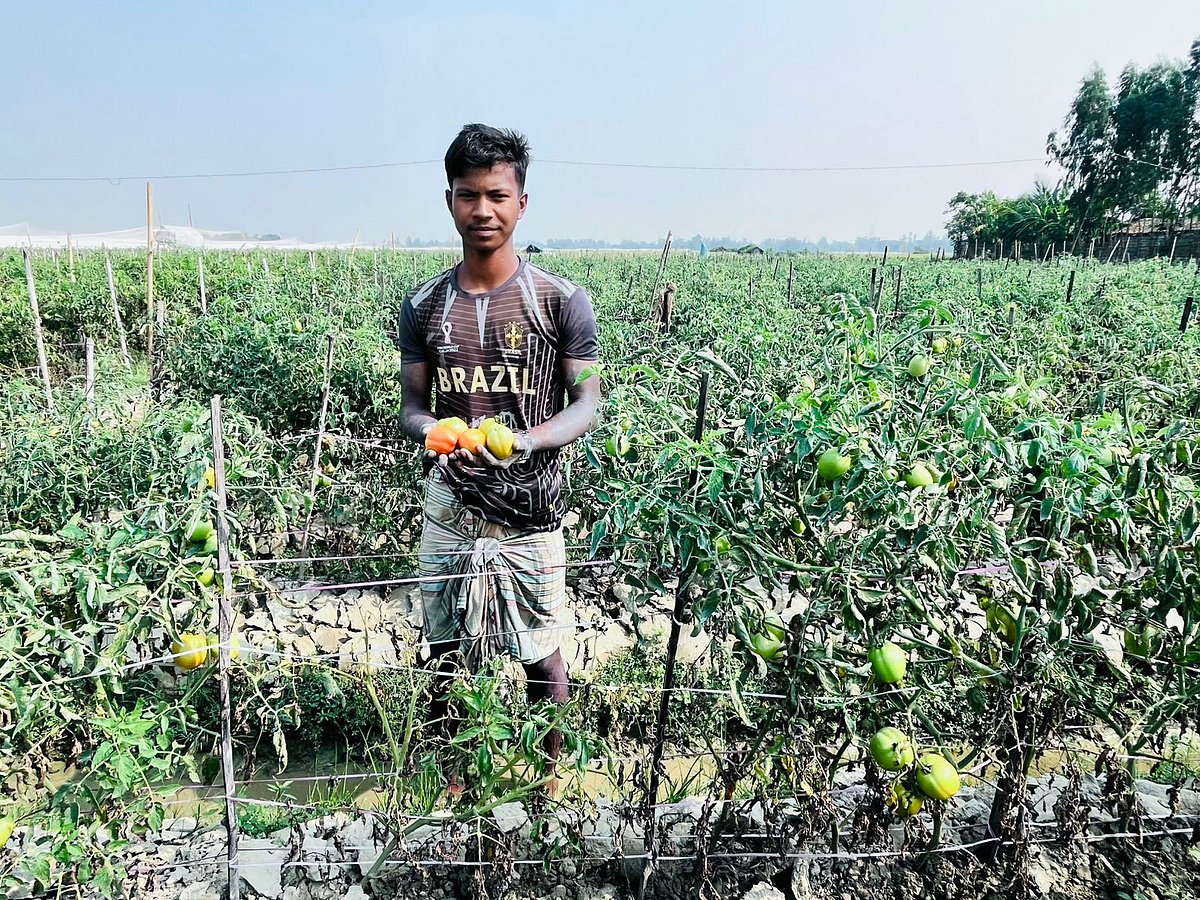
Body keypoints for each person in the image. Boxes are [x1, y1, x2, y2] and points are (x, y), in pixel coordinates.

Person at [395, 124, 601, 793]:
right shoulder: (425, 304)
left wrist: (531, 438)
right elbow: (412, 407)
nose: (483, 209)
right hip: (450, 502)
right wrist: (437, 431)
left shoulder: (560, 301)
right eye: (468, 195)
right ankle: (452, 787)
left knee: (541, 652)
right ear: (449, 200)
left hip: (532, 503)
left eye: (497, 195)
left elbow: (587, 405)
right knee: (443, 649)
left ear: (521, 203)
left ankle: (547, 786)